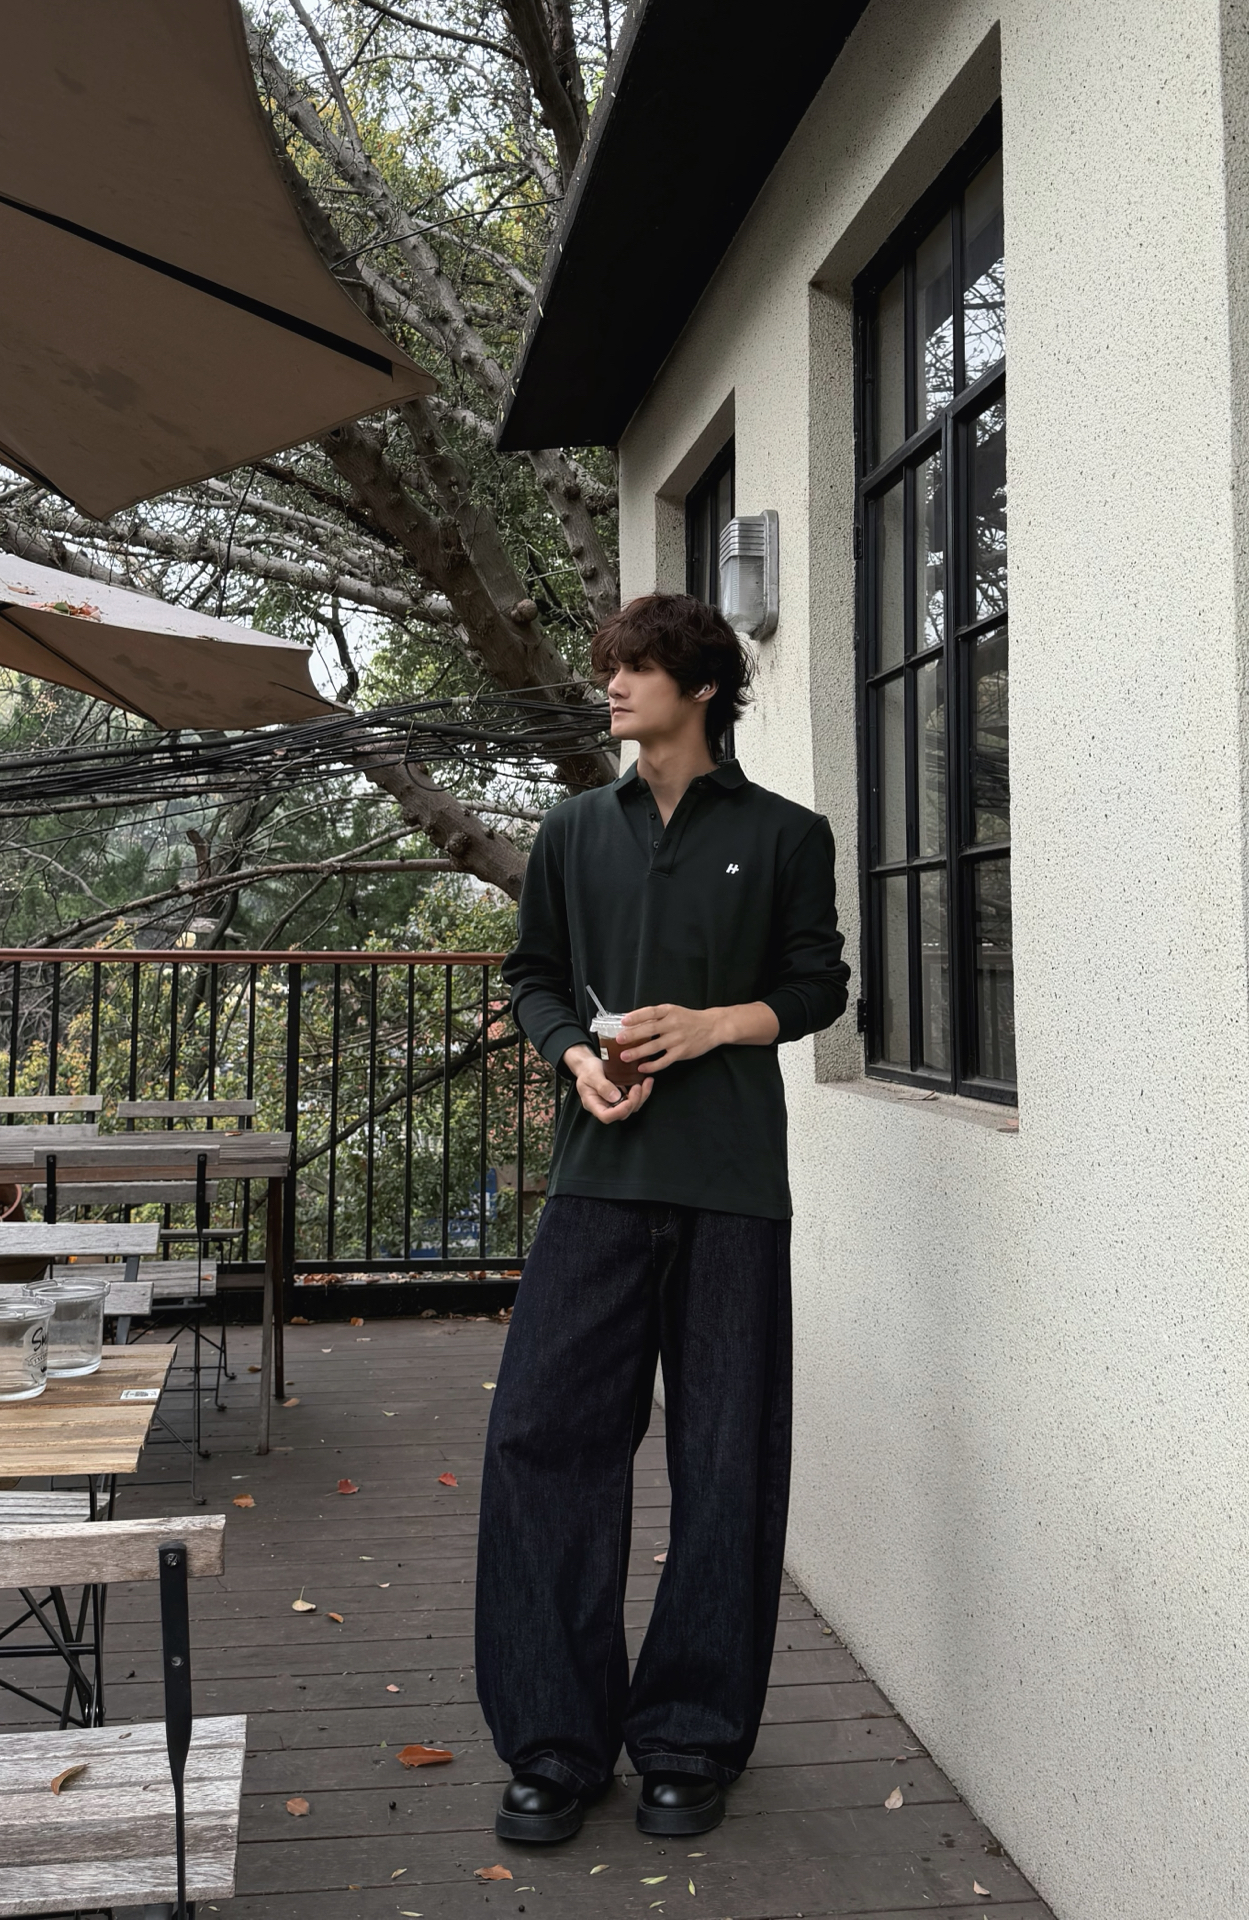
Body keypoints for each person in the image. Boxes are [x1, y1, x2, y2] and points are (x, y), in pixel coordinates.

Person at [476, 591, 849, 1845]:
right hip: (597, 1177)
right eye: (611, 667)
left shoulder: (788, 834)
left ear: (700, 689)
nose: (614, 685)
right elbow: (534, 977)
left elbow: (818, 987)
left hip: (732, 1183)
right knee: (541, 1439)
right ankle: (554, 1742)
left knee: (727, 1459)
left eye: (636, 667)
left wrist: (715, 1025)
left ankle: (690, 1740)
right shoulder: (575, 829)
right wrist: (575, 1054)